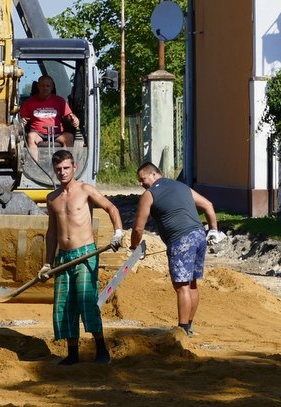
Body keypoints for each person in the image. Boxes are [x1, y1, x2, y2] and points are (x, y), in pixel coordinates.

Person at [38, 150, 124, 365]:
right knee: (64, 304)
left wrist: (118, 232)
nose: (62, 172)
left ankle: (101, 350)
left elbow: (110, 207)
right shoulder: (52, 198)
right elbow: (51, 233)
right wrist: (48, 262)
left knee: (86, 300)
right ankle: (73, 354)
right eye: (58, 169)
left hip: (85, 254)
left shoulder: (86, 190)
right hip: (63, 257)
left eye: (66, 168)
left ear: (74, 167)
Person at [130, 162, 223, 336]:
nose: (141, 184)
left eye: (143, 179)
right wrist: (213, 231)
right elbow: (208, 205)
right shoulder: (182, 187)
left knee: (182, 287)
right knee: (192, 284)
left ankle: (182, 330)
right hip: (198, 236)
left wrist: (134, 246)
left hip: (181, 241)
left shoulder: (149, 195)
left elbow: (138, 228)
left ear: (154, 175)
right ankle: (188, 326)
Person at [20, 75, 80, 160]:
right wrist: (22, 121)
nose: (45, 88)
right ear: (38, 87)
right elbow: (22, 118)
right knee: (30, 136)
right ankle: (34, 166)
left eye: (48, 86)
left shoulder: (60, 101)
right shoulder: (29, 102)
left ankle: (64, 164)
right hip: (38, 134)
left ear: (52, 87)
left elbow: (69, 116)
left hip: (57, 134)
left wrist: (74, 119)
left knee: (69, 137)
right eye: (42, 86)